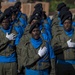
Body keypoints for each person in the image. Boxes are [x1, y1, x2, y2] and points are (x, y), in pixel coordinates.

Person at [51, 10, 75, 75]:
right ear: (62, 24)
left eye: (69, 23)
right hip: (62, 65)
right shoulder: (58, 36)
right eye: (65, 23)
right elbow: (54, 50)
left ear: (71, 23)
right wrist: (66, 45)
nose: (67, 25)